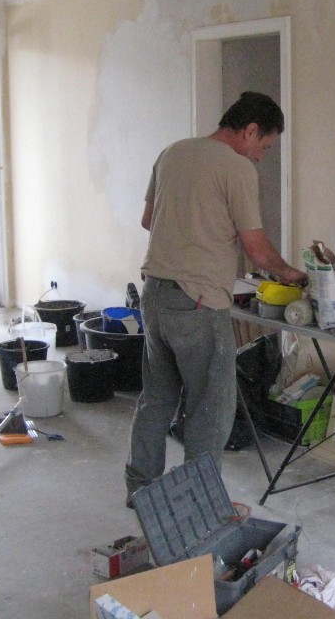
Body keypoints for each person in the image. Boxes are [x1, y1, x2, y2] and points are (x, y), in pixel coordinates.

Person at [125, 91, 306, 507]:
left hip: (155, 293)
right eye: (264, 146)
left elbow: (148, 220)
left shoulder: (172, 152)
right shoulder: (236, 168)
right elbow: (257, 250)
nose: (261, 156)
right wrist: (292, 275)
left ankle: (141, 490)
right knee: (212, 406)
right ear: (250, 130)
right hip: (199, 301)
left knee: (157, 398)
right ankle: (199, 502)